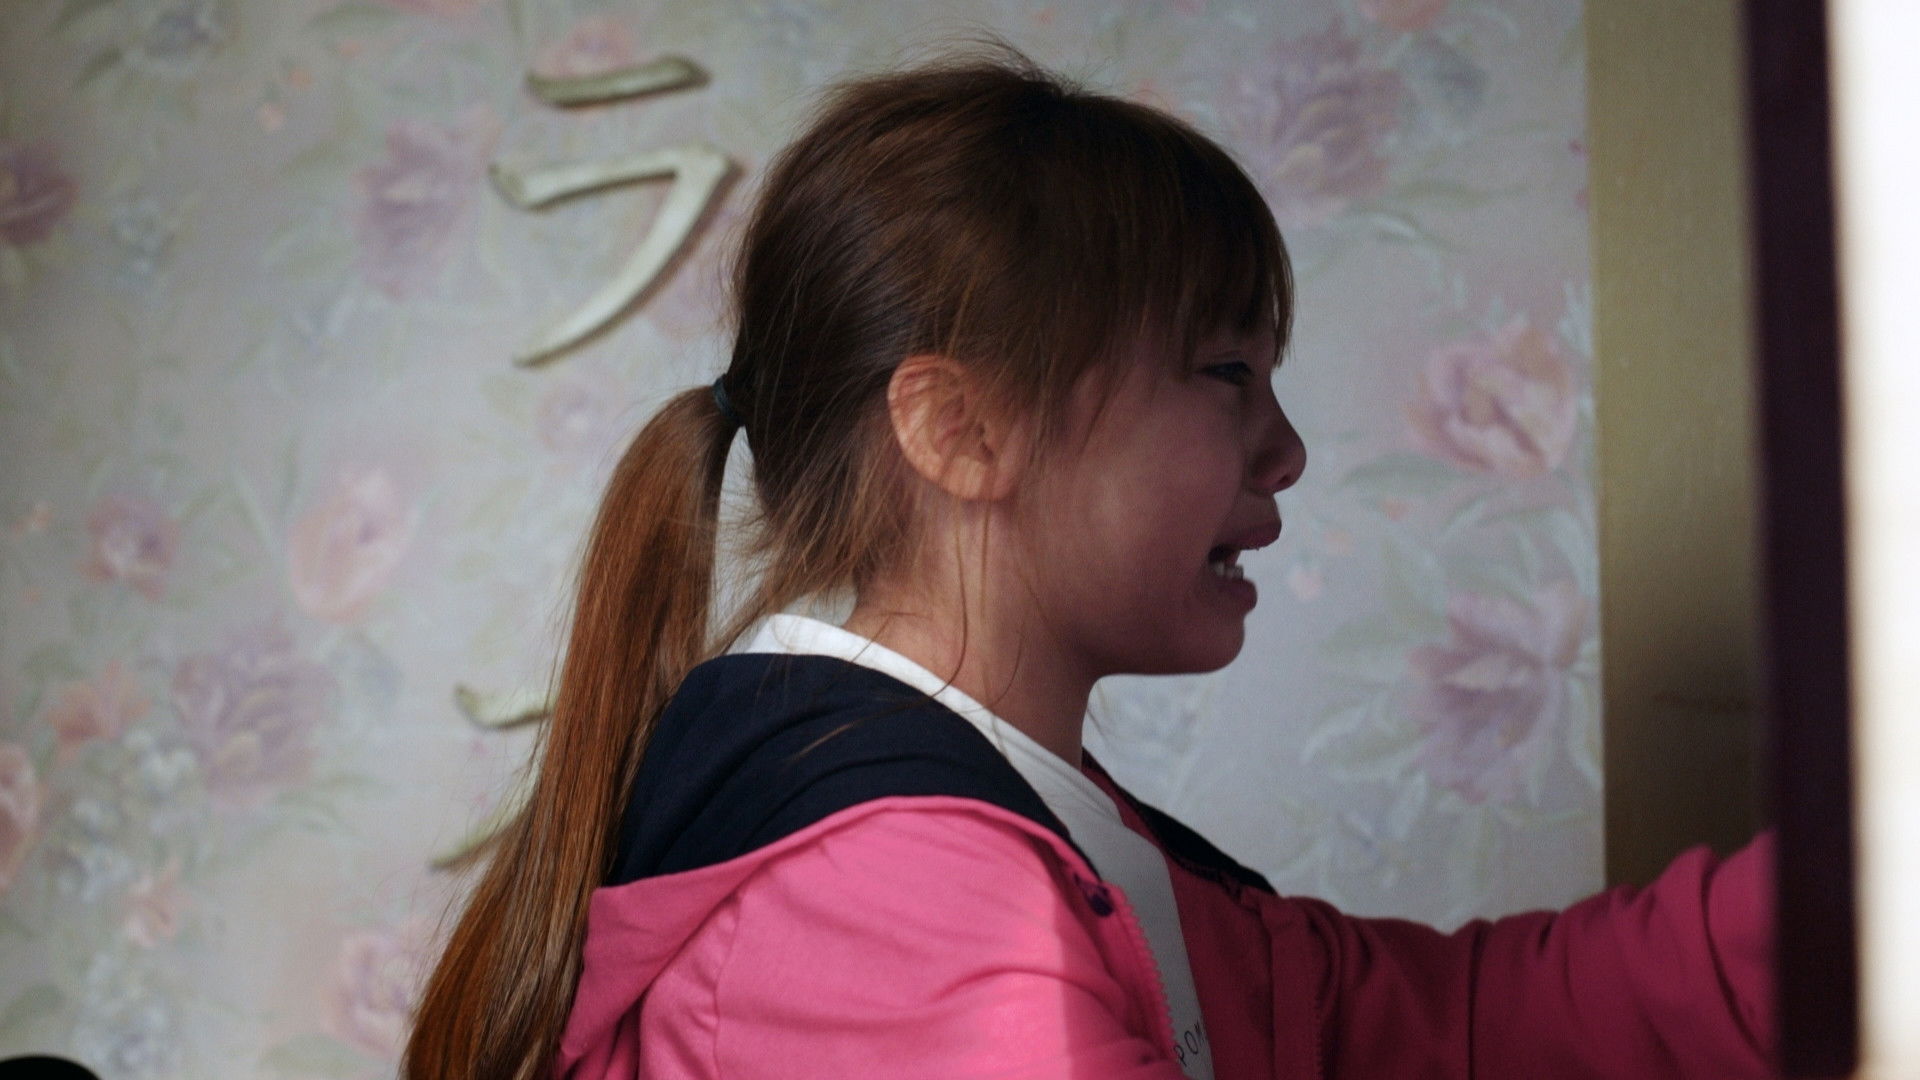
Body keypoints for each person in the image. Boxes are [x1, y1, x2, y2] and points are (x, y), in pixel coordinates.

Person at [403, 46, 1773, 1080]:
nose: (1287, 449)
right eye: (1226, 372)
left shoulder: (1035, 841)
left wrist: (1832, 891)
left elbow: (1453, 1026)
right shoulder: (907, 897)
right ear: (963, 430)